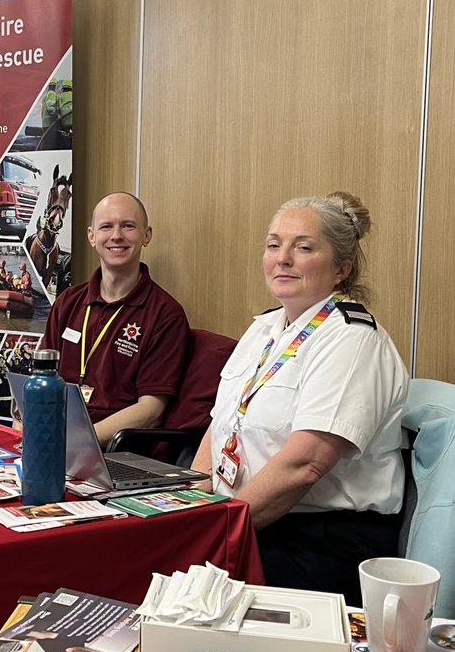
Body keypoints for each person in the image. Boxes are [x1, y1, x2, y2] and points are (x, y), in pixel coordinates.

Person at [191, 191, 407, 605]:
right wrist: (192, 507)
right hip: (247, 517)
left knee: (175, 592)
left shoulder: (352, 338)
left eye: (303, 247)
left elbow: (304, 465)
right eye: (274, 245)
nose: (283, 257)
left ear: (342, 268)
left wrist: (214, 532)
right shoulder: (264, 329)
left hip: (318, 541)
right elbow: (220, 428)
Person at [41, 192, 190, 446]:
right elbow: (40, 377)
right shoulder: (68, 302)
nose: (116, 236)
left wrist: (76, 441)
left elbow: (151, 411)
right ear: (91, 236)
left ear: (147, 235)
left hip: (115, 452)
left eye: (128, 226)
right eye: (106, 226)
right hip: (54, 438)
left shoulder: (165, 315)